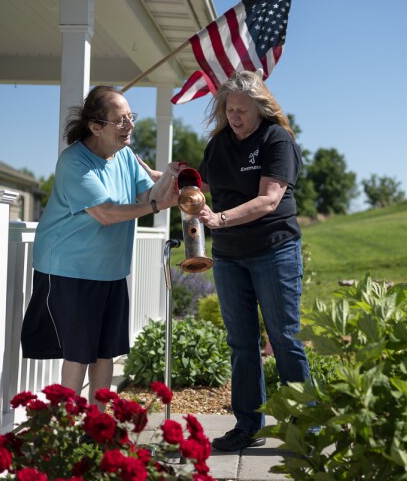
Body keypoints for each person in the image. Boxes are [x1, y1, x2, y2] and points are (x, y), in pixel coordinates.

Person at [21, 85, 183, 408]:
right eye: (120, 120)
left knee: (104, 353)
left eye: (130, 117)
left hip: (110, 272)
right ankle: (66, 428)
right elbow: (106, 213)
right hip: (70, 270)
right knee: (78, 356)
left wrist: (171, 176)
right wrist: (155, 207)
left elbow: (147, 195)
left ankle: (97, 427)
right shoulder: (74, 163)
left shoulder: (124, 155)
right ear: (96, 127)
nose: (130, 126)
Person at [195, 70, 311, 451]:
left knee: (284, 338)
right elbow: (200, 188)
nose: (235, 117)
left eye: (242, 110)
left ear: (261, 108)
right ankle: (248, 427)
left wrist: (220, 219)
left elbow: (269, 199)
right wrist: (171, 179)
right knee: (241, 344)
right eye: (229, 109)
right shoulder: (218, 145)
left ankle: (305, 427)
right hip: (228, 257)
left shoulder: (277, 139)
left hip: (273, 251)